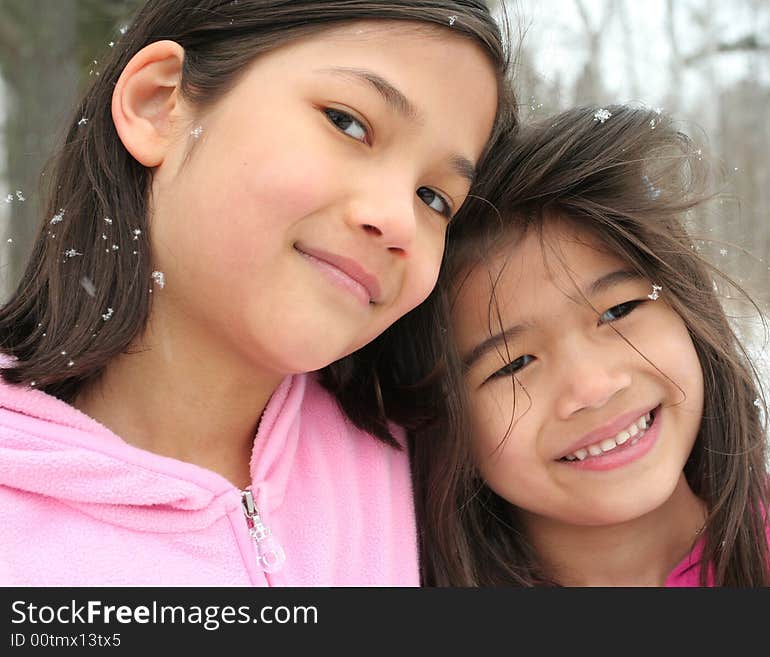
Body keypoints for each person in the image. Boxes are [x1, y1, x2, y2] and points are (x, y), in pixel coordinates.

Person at [0, 0, 517, 586]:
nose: (399, 221)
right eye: (348, 122)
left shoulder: (434, 470)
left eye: (434, 199)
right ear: (159, 103)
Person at [387, 105, 770, 586]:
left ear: (688, 311)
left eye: (618, 312)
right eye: (514, 363)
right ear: (444, 415)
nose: (594, 387)